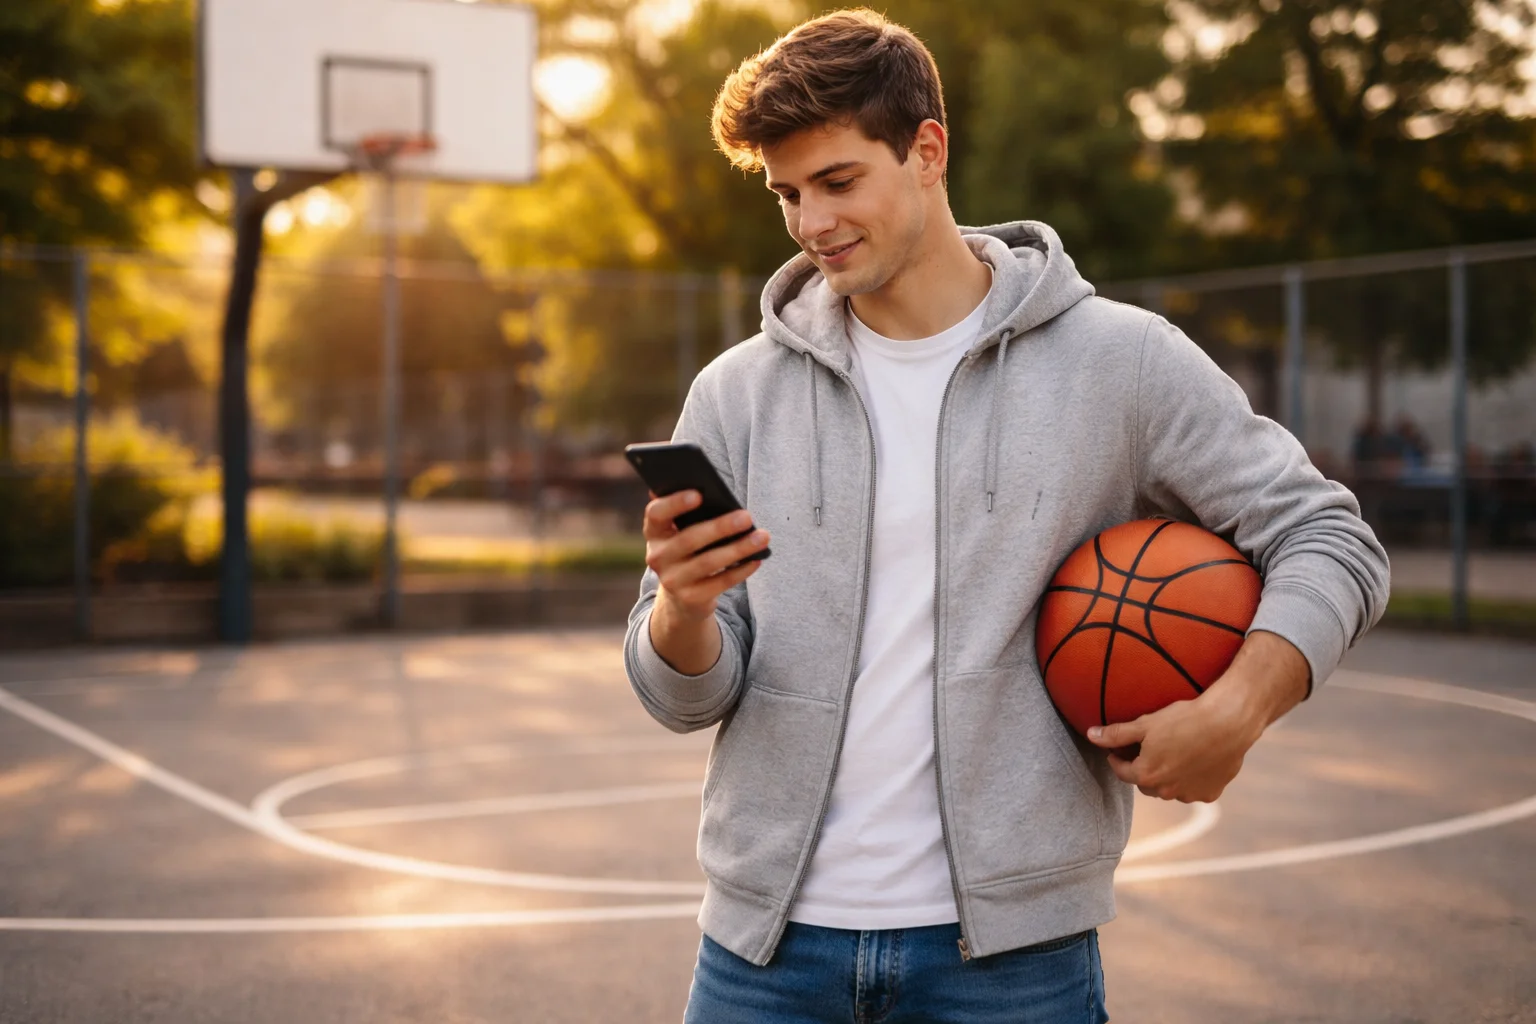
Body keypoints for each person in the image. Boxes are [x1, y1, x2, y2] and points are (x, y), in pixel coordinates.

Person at [623, 10, 1391, 1023]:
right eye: (789, 194)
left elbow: (1330, 536)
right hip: (764, 957)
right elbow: (683, 696)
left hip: (1012, 961)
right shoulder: (736, 394)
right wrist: (682, 611)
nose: (811, 222)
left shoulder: (1119, 363)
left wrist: (1238, 706)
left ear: (928, 150)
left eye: (839, 181)